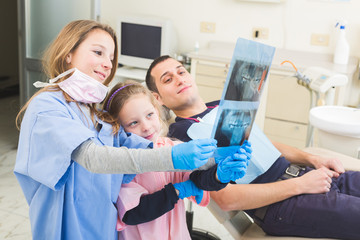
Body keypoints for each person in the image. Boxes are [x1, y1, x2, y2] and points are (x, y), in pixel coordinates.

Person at [13, 20, 225, 240]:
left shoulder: (95, 116)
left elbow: (147, 147)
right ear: (68, 53)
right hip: (67, 230)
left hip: (103, 230)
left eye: (111, 58)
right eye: (98, 52)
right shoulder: (47, 107)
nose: (107, 64)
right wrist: (173, 157)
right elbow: (94, 158)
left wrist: (216, 159)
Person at [145, 55, 360, 240]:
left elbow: (263, 143)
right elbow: (226, 198)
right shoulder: (180, 138)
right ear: (158, 98)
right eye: (168, 79)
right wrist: (301, 185)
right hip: (280, 206)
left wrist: (312, 159)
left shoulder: (222, 105)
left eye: (181, 72)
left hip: (304, 175)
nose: (179, 80)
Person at [101, 81, 251, 239]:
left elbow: (198, 180)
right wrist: (178, 190)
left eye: (149, 115)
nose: (146, 126)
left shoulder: (171, 148)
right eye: (133, 123)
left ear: (157, 112)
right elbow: (132, 213)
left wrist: (219, 175)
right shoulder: (122, 162)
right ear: (118, 128)